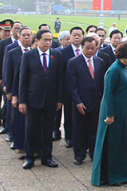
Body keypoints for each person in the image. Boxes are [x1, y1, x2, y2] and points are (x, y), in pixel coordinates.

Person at [91, 42, 127, 186]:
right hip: (114, 114)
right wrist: (109, 114)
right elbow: (108, 93)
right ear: (125, 56)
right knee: (114, 145)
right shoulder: (114, 70)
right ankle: (113, 176)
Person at [18, 29, 65, 169]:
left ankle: (47, 157)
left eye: (50, 40)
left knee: (47, 129)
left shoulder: (57, 55)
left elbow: (60, 79)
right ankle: (30, 157)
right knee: (31, 128)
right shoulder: (29, 56)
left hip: (50, 99)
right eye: (45, 40)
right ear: (37, 41)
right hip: (33, 98)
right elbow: (23, 79)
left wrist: (59, 99)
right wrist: (22, 100)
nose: (48, 42)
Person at [66, 36, 106, 164]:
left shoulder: (100, 62)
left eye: (93, 48)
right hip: (80, 102)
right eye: (87, 48)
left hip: (96, 102)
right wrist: (77, 101)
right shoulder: (73, 62)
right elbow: (71, 85)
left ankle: (94, 153)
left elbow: (102, 83)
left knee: (94, 129)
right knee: (79, 129)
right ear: (82, 47)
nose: (90, 51)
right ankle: (79, 155)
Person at [6, 27, 33, 156]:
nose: (27, 37)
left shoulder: (35, 53)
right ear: (19, 37)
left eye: (29, 35)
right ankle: (19, 144)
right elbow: (10, 73)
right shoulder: (13, 52)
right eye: (24, 35)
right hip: (18, 92)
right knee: (19, 120)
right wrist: (11, 93)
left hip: (33, 93)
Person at [59, 27, 85, 146]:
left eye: (79, 35)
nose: (76, 37)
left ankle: (81, 137)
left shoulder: (86, 50)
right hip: (68, 89)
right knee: (69, 114)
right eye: (74, 35)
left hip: (83, 89)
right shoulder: (62, 52)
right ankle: (69, 137)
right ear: (70, 37)